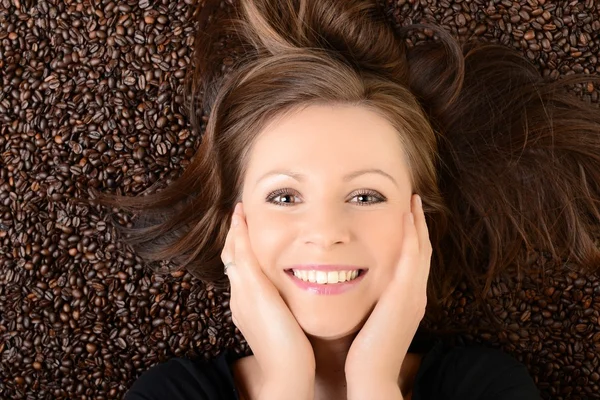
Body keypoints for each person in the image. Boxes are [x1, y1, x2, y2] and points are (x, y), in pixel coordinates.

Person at [90, 0, 600, 399]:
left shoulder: (485, 387)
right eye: (285, 196)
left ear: (420, 219)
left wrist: (375, 383)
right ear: (232, 225)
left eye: (365, 193)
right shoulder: (171, 394)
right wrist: (285, 383)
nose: (327, 229)